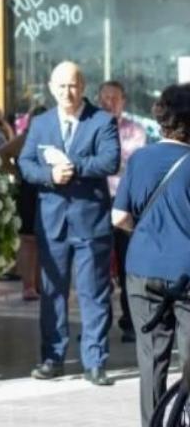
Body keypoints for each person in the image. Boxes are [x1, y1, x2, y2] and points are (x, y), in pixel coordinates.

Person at [19, 61, 120, 387]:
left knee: (94, 295)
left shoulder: (102, 120)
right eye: (61, 86)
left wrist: (72, 166)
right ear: (51, 88)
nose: (67, 92)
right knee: (53, 295)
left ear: (83, 87)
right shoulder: (41, 123)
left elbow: (110, 161)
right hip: (52, 224)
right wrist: (49, 174)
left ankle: (95, 362)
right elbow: (25, 164)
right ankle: (52, 358)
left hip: (91, 222)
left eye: (73, 85)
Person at [111, 83, 190, 426]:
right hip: (187, 271)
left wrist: (147, 232)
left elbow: (119, 217)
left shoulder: (140, 158)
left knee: (151, 360)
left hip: (142, 268)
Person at [98, 80, 148, 344]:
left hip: (126, 202)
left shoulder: (135, 131)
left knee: (129, 264)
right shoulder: (92, 128)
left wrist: (101, 163)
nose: (109, 103)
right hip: (98, 202)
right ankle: (98, 325)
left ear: (123, 101)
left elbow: (132, 165)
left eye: (114, 98)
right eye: (105, 98)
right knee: (97, 267)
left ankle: (130, 322)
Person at [0, 105, 47, 301]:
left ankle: (38, 285)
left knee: (42, 241)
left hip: (46, 191)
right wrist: (17, 173)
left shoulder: (52, 138)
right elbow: (1, 155)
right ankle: (29, 285)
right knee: (29, 240)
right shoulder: (26, 139)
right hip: (29, 192)